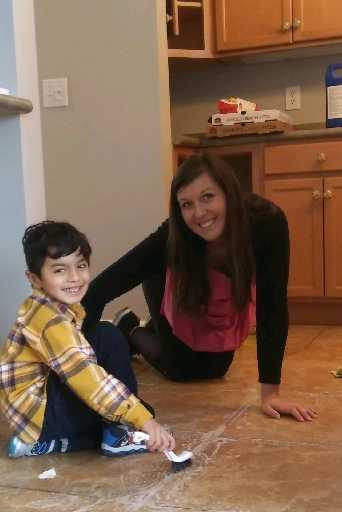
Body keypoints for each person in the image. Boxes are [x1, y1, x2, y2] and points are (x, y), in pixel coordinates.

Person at [83, 152, 316, 422]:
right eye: (186, 204)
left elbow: (272, 306)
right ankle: (130, 328)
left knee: (214, 369)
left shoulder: (267, 223)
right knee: (181, 370)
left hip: (221, 294)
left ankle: (142, 328)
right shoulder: (173, 234)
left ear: (228, 193)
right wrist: (67, 348)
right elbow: (109, 282)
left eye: (208, 197)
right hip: (174, 282)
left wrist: (270, 393)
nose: (199, 214)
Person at [0, 221, 175, 458]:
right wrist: (142, 419)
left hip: (33, 416)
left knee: (121, 399)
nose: (74, 278)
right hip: (41, 414)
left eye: (80, 266)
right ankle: (118, 432)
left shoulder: (50, 306)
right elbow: (87, 379)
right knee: (107, 337)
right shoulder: (50, 321)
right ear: (35, 279)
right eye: (59, 270)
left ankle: (46, 443)